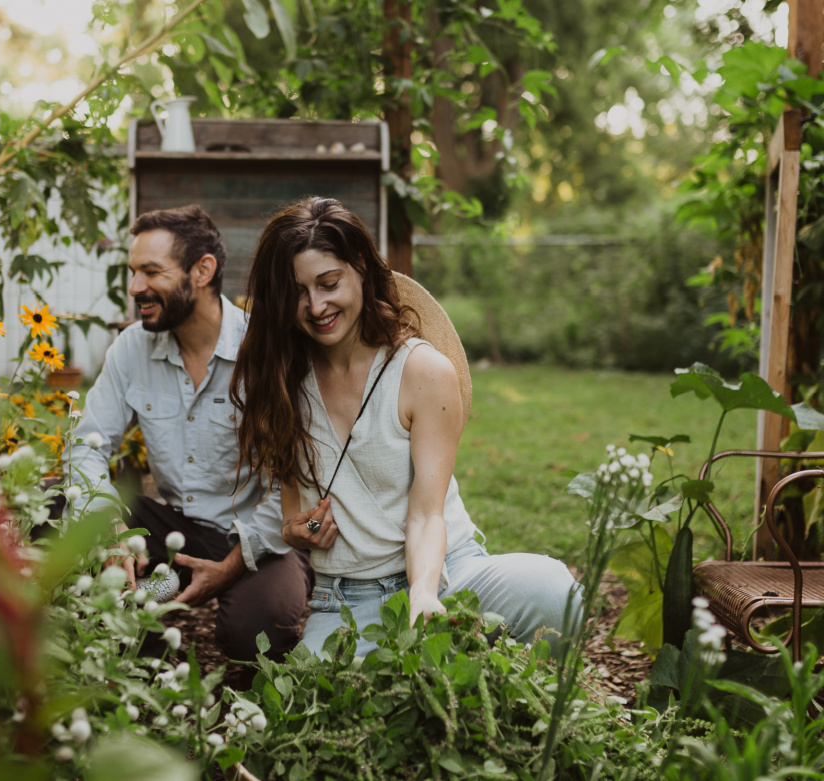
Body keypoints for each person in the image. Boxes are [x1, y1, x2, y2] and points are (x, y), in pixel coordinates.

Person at [230, 197, 580, 657]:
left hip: (448, 575)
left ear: (360, 268)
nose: (315, 306)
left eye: (328, 283)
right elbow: (293, 514)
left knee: (558, 593)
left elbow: (427, 514)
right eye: (297, 292)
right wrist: (299, 532)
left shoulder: (422, 372)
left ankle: (482, 672)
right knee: (317, 704)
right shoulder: (285, 382)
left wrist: (423, 594)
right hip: (347, 601)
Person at [65, 204, 312, 662]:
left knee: (254, 639)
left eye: (151, 271)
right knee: (57, 506)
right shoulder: (132, 349)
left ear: (202, 271)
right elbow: (88, 444)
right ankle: (148, 650)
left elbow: (294, 485)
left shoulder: (266, 353)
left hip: (260, 536)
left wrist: (229, 567)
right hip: (174, 527)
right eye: (133, 272)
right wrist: (109, 526)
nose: (136, 287)